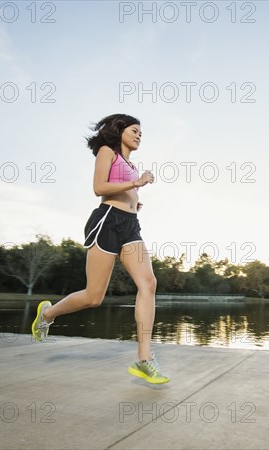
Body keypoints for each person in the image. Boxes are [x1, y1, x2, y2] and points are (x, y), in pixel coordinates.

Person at [31, 113, 169, 384]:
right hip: (106, 221)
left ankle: (143, 359)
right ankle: (48, 313)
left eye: (142, 132)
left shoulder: (130, 163)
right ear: (119, 132)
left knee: (148, 283)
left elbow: (124, 191)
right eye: (134, 130)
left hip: (130, 225)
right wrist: (136, 183)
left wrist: (134, 200)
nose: (139, 135)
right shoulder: (108, 152)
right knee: (94, 297)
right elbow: (98, 188)